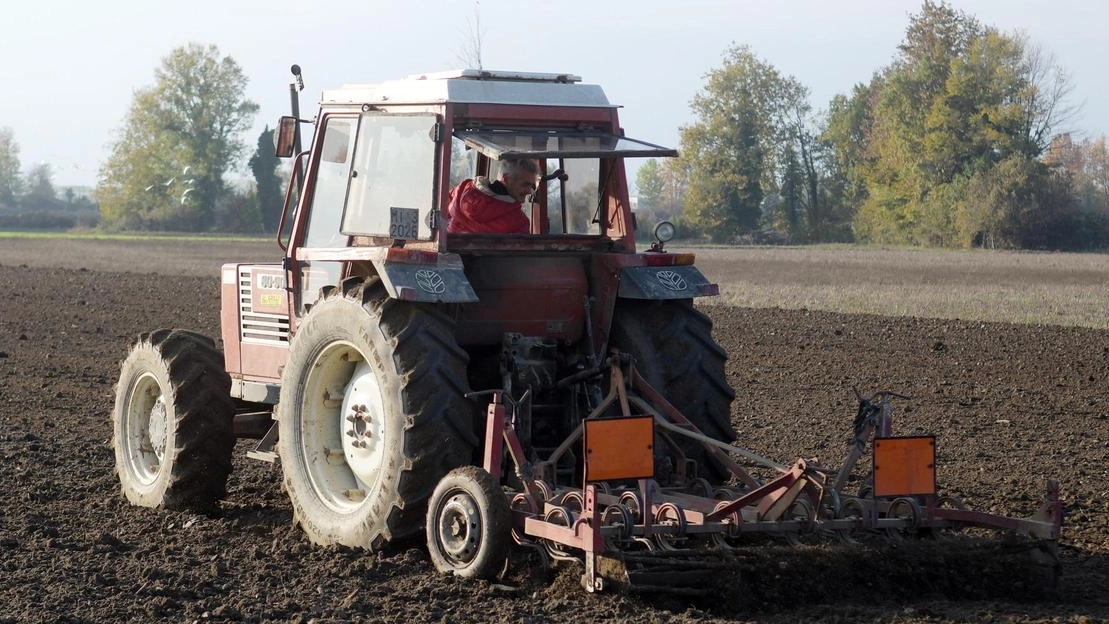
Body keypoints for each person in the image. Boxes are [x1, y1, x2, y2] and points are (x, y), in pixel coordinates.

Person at [447, 158, 540, 234]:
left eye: (531, 186)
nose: (529, 192)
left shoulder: (457, 194)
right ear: (506, 179)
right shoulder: (519, 222)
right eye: (525, 185)